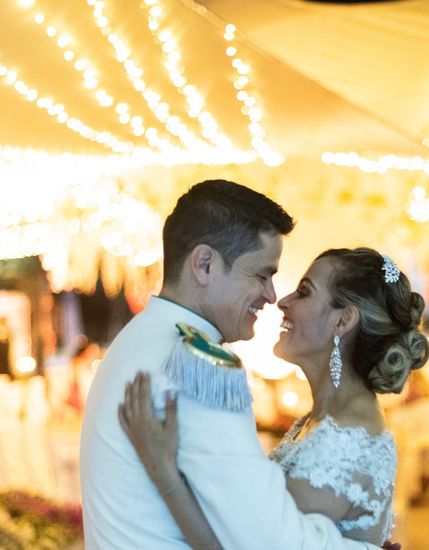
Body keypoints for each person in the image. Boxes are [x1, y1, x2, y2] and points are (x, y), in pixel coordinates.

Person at [80, 180, 383, 549]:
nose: (272, 296)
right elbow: (269, 540)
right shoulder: (198, 366)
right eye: (261, 274)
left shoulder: (139, 339)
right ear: (204, 264)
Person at [121, 248, 428, 546]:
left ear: (342, 321)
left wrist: (163, 470)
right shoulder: (319, 422)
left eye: (304, 292)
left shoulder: (346, 439)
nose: (283, 302)